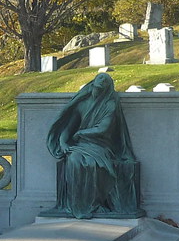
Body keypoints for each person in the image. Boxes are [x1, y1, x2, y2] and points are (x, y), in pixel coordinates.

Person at [45, 73, 139, 218]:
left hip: (101, 146)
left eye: (104, 82)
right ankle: (78, 204)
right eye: (99, 81)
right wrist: (63, 142)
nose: (101, 83)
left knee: (92, 163)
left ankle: (94, 203)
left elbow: (103, 128)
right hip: (81, 146)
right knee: (74, 160)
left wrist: (81, 133)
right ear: (93, 83)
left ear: (107, 89)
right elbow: (68, 130)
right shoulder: (82, 105)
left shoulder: (110, 105)